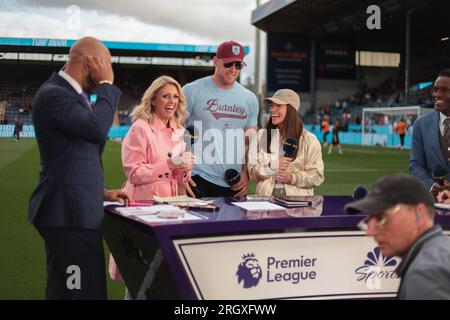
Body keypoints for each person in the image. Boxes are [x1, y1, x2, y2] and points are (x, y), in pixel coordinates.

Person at [28, 36, 127, 299]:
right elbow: (96, 130)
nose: (109, 71)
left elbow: (77, 153)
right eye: (105, 65)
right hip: (69, 215)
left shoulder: (70, 95)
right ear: (90, 63)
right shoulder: (55, 94)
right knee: (84, 292)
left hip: (72, 211)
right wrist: (107, 85)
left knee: (64, 291)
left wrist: (99, 191)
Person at [108, 75, 195, 294]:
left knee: (165, 275)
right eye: (165, 95)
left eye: (175, 97)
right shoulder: (140, 128)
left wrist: (185, 171)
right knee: (139, 277)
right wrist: (168, 163)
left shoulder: (179, 130)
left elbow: (178, 177)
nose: (171, 101)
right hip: (143, 208)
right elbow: (134, 173)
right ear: (153, 99)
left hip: (172, 209)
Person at [345, 173, 450, 299]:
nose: (370, 232)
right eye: (369, 220)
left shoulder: (425, 273)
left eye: (381, 218)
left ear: (420, 214)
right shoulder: (440, 253)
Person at [182, 40, 258, 198]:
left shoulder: (249, 98)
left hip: (234, 183)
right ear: (215, 61)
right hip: (197, 178)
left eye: (238, 65)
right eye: (228, 64)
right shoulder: (191, 90)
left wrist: (246, 173)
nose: (233, 70)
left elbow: (251, 141)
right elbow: (173, 132)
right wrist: (180, 172)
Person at [247, 89, 324, 197]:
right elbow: (252, 174)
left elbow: (317, 177)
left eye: (278, 106)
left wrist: (292, 178)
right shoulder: (260, 136)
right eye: (271, 106)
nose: (272, 110)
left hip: (297, 208)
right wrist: (271, 166)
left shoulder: (310, 140)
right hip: (265, 205)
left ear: (291, 109)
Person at [410, 69, 450, 198]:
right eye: (435, 89)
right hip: (433, 202)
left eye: (444, 90)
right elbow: (415, 164)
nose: (437, 94)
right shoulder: (421, 124)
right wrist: (432, 186)